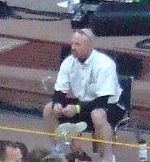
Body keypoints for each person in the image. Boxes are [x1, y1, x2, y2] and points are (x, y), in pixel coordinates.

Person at [43, 29, 123, 162]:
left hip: (110, 105)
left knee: (97, 114)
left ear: (90, 46)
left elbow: (102, 101)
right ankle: (59, 151)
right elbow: (59, 90)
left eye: (77, 44)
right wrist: (57, 103)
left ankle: (108, 157)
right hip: (82, 102)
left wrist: (76, 109)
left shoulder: (104, 64)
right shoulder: (68, 62)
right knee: (48, 109)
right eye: (72, 43)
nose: (73, 47)